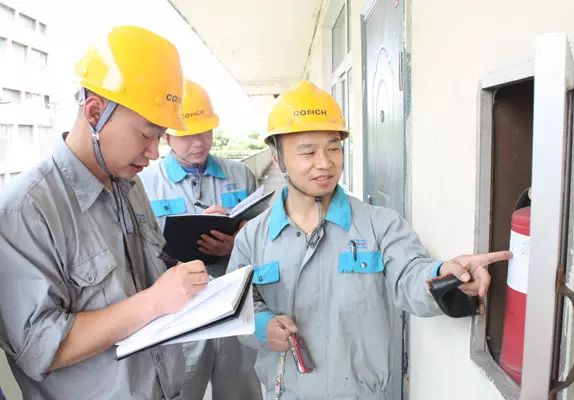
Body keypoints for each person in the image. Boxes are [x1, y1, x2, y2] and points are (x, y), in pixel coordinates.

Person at [227, 80, 512, 399]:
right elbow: (239, 306)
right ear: (277, 159)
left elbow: (411, 274)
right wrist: (263, 326)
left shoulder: (379, 225)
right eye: (308, 151)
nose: (325, 162)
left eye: (333, 148)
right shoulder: (252, 238)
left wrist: (446, 275)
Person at [0, 26, 208, 400]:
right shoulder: (25, 210)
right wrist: (152, 302)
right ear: (95, 111)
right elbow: (37, 347)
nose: (154, 152)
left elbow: (150, 270)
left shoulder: (129, 183)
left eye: (159, 136)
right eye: (146, 134)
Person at [140, 79, 262, 399]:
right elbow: (139, 251)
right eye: (187, 135)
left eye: (205, 132)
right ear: (166, 136)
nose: (198, 142)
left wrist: (237, 244)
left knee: (240, 388)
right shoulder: (143, 184)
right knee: (183, 388)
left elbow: (262, 237)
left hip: (236, 301)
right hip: (181, 310)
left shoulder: (240, 175)